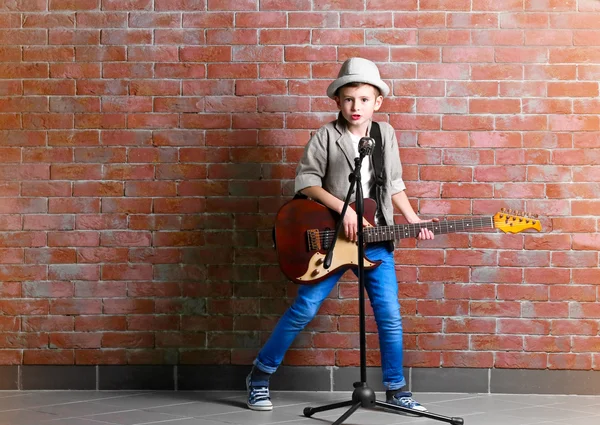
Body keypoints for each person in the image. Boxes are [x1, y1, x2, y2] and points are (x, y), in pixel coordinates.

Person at [246, 57, 435, 412]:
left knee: (389, 315)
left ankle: (396, 389)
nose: (356, 106)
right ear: (337, 101)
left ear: (377, 102)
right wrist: (345, 209)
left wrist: (414, 219)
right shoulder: (325, 136)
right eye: (349, 99)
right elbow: (306, 182)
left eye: (364, 99)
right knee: (304, 308)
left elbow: (394, 184)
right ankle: (259, 375)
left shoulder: (385, 135)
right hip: (330, 242)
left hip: (374, 240)